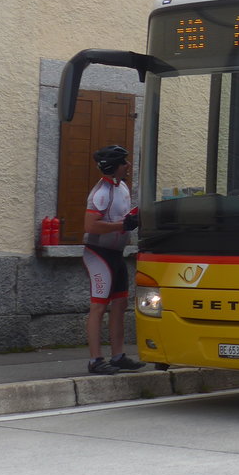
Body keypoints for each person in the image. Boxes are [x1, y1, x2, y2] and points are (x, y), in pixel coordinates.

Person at [82, 146, 146, 375]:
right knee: (99, 306)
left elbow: (121, 216)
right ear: (113, 167)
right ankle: (95, 360)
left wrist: (134, 218)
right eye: (123, 162)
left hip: (116, 253)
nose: (128, 165)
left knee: (120, 304)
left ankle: (118, 356)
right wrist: (123, 225)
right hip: (99, 253)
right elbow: (90, 226)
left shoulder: (122, 187)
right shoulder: (101, 193)